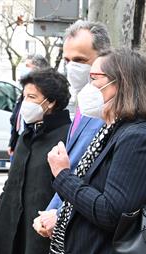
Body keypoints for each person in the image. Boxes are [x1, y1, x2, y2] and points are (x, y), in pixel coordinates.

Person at [45, 48, 146, 254]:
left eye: (95, 78)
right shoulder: (114, 132)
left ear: (121, 84)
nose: (89, 86)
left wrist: (63, 175)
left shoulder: (138, 138)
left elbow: (111, 212)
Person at [0, 68, 71, 254]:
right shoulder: (27, 135)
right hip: (10, 231)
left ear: (50, 102)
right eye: (24, 96)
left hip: (40, 236)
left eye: (31, 98)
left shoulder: (67, 137)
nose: (24, 103)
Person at [33, 20, 110, 237]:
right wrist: (51, 211)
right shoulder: (83, 103)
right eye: (67, 60)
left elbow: (92, 176)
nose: (71, 67)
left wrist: (58, 212)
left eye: (80, 60)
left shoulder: (106, 109)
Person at [8, 54, 50, 158]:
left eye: (27, 65)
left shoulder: (44, 91)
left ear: (37, 69)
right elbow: (16, 118)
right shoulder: (26, 90)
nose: (23, 69)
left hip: (31, 144)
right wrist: (12, 143)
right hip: (19, 140)